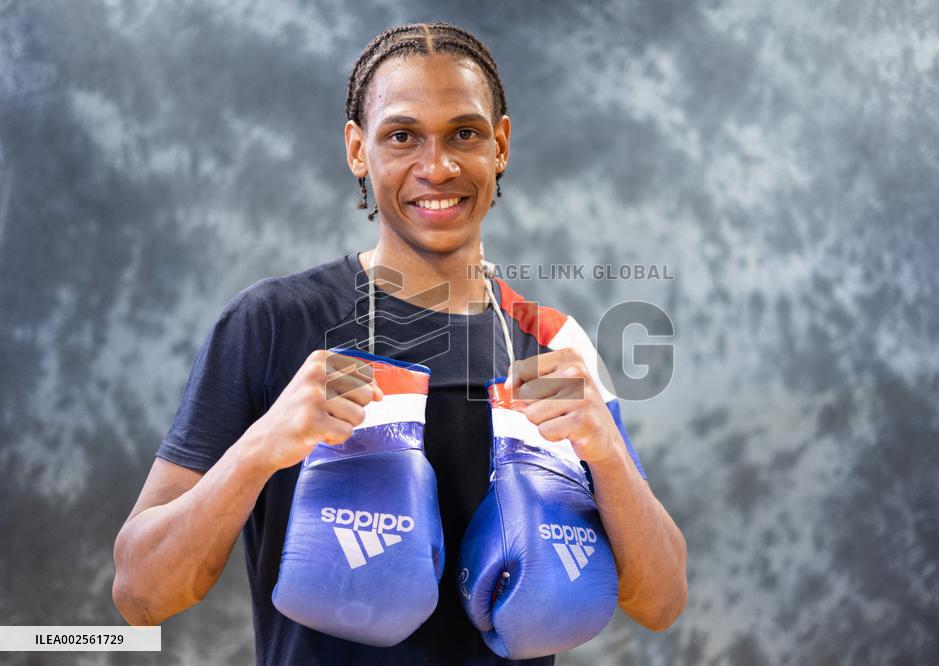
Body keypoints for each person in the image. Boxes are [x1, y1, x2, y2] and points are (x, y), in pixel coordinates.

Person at [112, 22, 687, 665]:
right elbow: (140, 596)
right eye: (402, 135)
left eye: (464, 134)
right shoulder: (271, 323)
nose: (436, 167)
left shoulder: (552, 341)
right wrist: (258, 450)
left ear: (499, 145)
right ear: (359, 151)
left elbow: (660, 602)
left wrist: (606, 453)